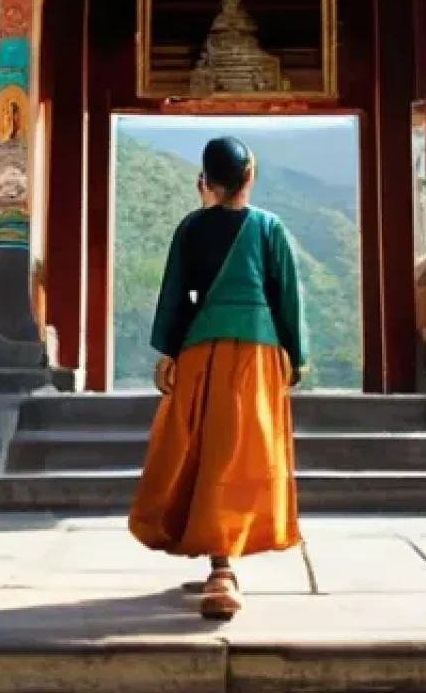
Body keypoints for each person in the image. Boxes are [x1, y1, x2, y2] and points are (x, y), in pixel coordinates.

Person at [128, 136, 308, 621]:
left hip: (200, 349)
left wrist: (168, 352)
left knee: (201, 450)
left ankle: (220, 559)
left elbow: (176, 294)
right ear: (249, 177)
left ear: (204, 181)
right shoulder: (270, 228)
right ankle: (224, 561)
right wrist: (297, 353)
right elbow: (285, 296)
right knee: (243, 451)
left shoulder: (190, 228)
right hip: (258, 349)